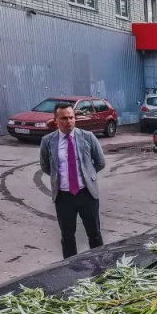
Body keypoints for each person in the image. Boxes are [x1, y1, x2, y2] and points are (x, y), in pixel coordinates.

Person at [39, 102, 107, 258]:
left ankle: (100, 267)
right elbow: (45, 165)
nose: (68, 121)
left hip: (87, 194)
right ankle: (70, 272)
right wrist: (63, 178)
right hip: (64, 198)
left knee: (95, 235)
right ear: (55, 120)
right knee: (67, 238)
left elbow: (100, 162)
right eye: (64, 118)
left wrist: (86, 175)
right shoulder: (48, 141)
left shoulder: (88, 137)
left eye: (71, 117)